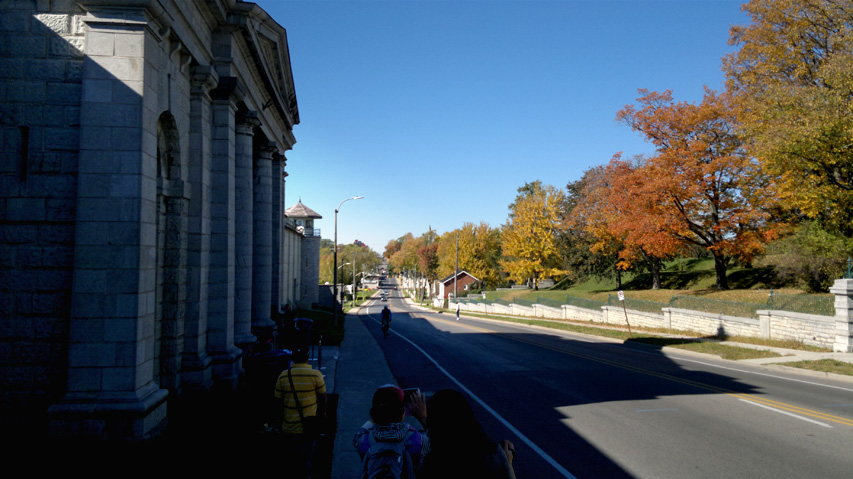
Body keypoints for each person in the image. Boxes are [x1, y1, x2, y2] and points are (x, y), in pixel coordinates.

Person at [408, 389, 516, 479]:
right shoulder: (493, 454)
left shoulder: (433, 464)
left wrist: (424, 419)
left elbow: (442, 437)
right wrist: (508, 462)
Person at [353, 384, 428, 477]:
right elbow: (437, 442)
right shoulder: (419, 441)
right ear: (402, 412)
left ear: (374, 413)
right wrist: (422, 417)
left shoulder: (363, 442)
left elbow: (359, 434)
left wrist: (378, 414)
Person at [274, 348, 327, 479]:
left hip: (288, 427)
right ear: (307, 358)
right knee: (306, 462)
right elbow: (323, 399)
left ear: (293, 359)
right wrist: (322, 417)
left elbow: (277, 403)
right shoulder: (316, 375)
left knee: (289, 464)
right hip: (308, 427)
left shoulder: (283, 375)